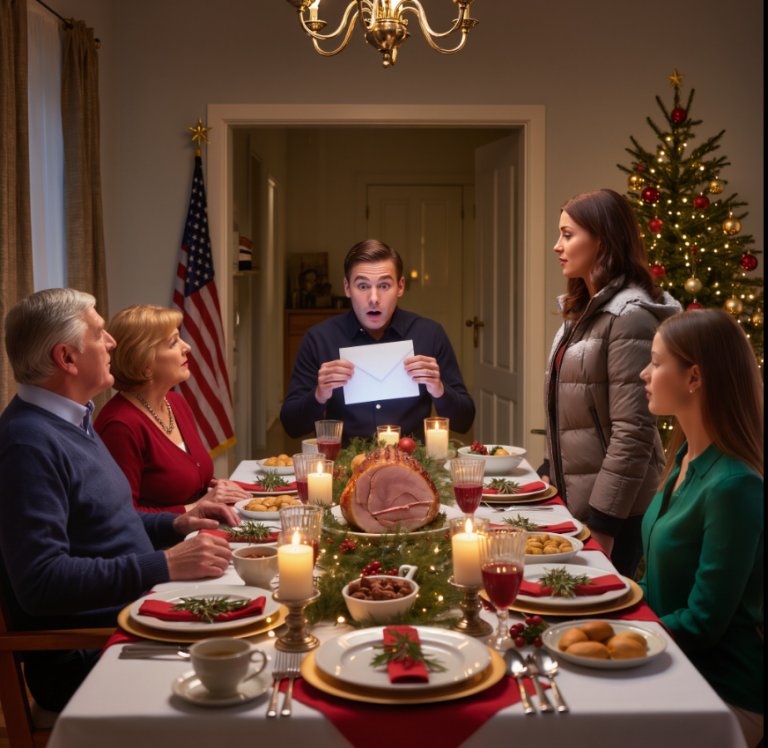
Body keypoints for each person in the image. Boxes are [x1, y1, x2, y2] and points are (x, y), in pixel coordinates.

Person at [0, 289, 239, 711]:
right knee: (247, 672)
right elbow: (40, 584)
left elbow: (108, 521)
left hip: (136, 615)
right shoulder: (28, 444)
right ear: (67, 359)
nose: (111, 342)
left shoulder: (74, 419)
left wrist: (176, 524)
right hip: (90, 653)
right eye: (98, 333)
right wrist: (164, 564)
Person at [538, 189, 681, 577]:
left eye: (568, 234)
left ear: (602, 239)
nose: (557, 246)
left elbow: (633, 431)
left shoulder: (629, 315)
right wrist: (548, 472)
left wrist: (603, 523)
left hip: (615, 514)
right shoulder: (584, 307)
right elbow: (572, 409)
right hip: (578, 499)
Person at [639, 310, 763, 748]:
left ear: (694, 378)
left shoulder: (735, 485)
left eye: (656, 362)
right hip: (669, 660)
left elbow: (704, 622)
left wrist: (627, 630)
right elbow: (653, 577)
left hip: (722, 692)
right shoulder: (684, 460)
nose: (644, 373)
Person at [280, 239, 475, 443]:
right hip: (344, 469)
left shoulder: (430, 334)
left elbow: (465, 422)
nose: (374, 298)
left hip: (412, 465)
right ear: (347, 288)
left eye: (384, 285)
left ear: (400, 287)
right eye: (363, 286)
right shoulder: (319, 338)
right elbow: (292, 426)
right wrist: (319, 394)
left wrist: (439, 389)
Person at [94, 305, 250, 513]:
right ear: (145, 363)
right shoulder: (120, 426)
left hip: (198, 532)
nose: (187, 347)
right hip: (161, 544)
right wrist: (196, 507)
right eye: (174, 342)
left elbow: (179, 478)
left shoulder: (176, 402)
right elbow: (122, 517)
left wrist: (214, 487)